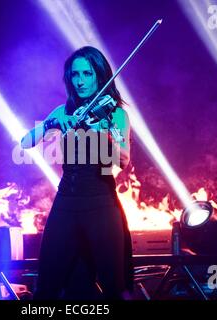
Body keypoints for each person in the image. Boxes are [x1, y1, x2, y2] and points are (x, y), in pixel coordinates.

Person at [20, 46, 133, 300]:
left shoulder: (115, 114)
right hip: (66, 205)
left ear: (99, 76)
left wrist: (105, 133)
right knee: (48, 285)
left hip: (101, 205)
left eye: (87, 73)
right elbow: (25, 142)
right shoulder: (63, 112)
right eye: (74, 75)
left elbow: (124, 160)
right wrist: (51, 124)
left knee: (115, 287)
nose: (80, 81)